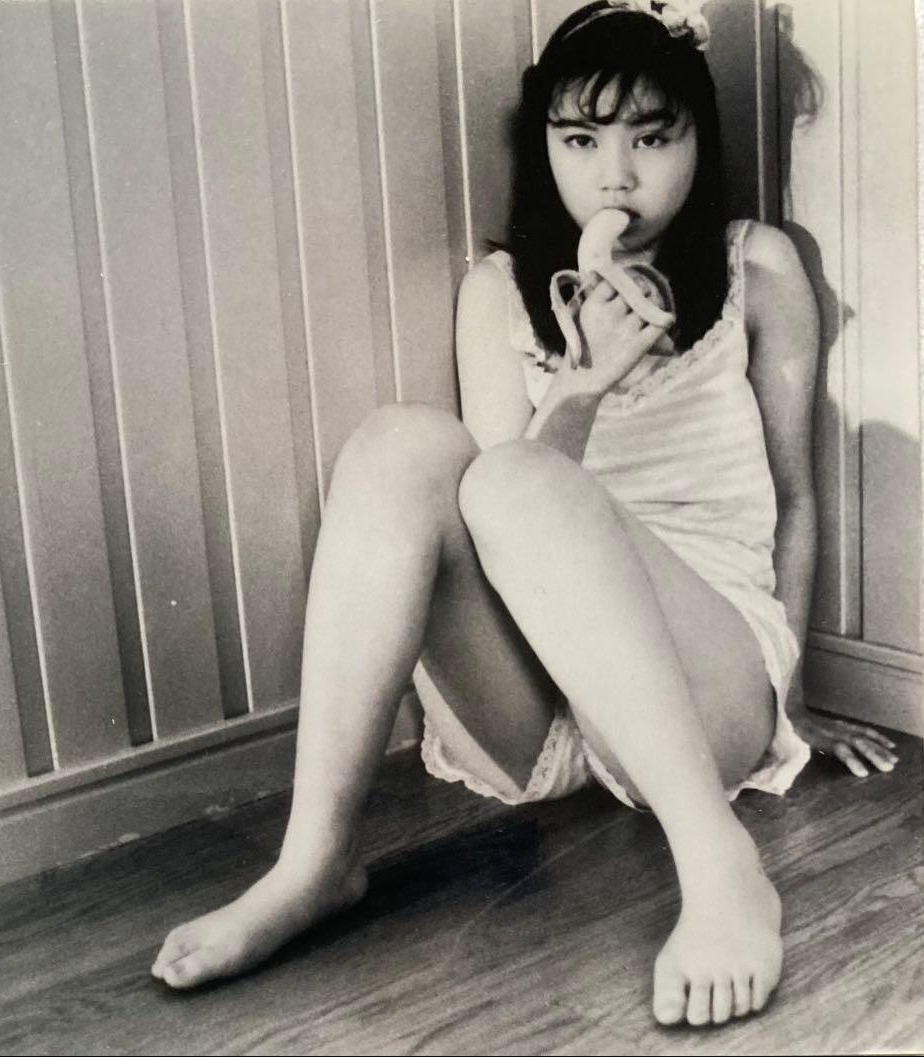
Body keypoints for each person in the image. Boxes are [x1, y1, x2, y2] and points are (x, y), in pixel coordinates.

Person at [150, 0, 899, 1027]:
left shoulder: (756, 266)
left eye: (652, 138)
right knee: (402, 444)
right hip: (546, 700)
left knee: (511, 476)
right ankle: (315, 860)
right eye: (581, 141)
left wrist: (795, 699)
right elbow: (500, 521)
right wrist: (582, 387)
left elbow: (797, 496)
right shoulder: (500, 290)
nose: (617, 177)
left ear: (699, 141)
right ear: (545, 146)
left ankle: (720, 867)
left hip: (708, 678)